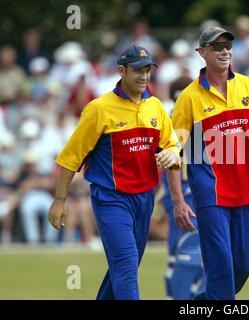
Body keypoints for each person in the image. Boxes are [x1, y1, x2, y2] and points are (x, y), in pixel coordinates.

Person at [47, 45, 180, 300]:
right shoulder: (99, 109)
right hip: (111, 199)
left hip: (145, 198)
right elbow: (71, 156)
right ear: (122, 71)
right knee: (127, 265)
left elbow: (171, 143)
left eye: (148, 70)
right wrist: (60, 200)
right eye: (137, 71)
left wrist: (172, 153)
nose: (144, 76)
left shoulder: (156, 107)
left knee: (124, 267)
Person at [167, 26, 249, 300]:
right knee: (221, 267)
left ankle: (200, 302)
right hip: (210, 193)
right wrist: (178, 201)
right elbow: (172, 151)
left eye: (228, 45)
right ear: (202, 53)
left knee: (244, 265)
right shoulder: (189, 97)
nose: (224, 51)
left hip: (247, 188)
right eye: (217, 47)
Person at [162, 76, 205, 300]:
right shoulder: (181, 118)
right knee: (190, 250)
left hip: (173, 190)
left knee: (180, 249)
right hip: (186, 187)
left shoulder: (166, 119)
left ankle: (178, 295)